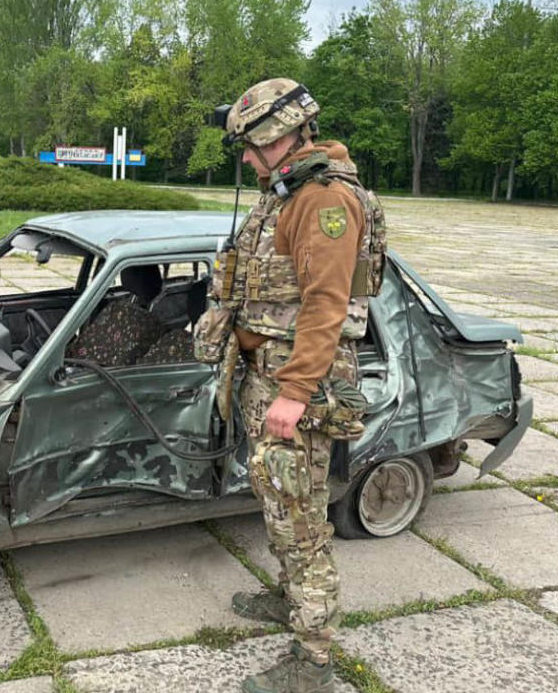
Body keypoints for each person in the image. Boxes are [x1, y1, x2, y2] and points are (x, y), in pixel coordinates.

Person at [194, 78, 386, 693]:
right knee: (280, 503)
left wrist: (295, 393)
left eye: (251, 146)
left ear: (279, 136)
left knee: (300, 519)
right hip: (268, 376)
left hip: (296, 386)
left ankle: (314, 661)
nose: (246, 159)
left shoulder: (324, 200)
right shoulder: (285, 192)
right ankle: (289, 601)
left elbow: (327, 304)